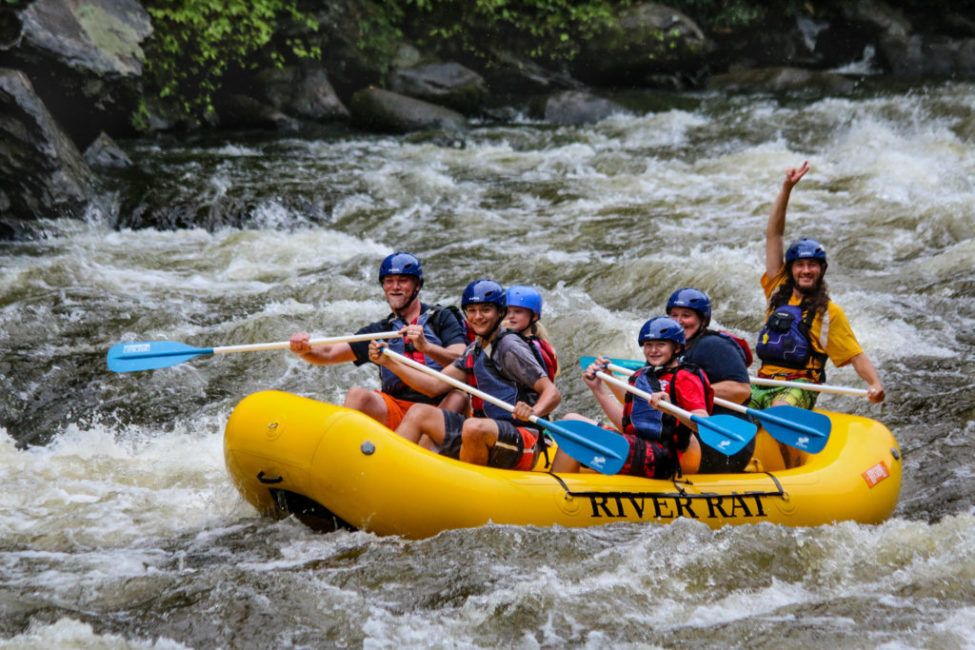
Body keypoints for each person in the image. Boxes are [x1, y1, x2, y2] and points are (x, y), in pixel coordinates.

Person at [754, 161, 886, 466]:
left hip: (799, 386)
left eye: (812, 265)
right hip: (762, 380)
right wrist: (786, 188)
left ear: (821, 270)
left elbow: (855, 355)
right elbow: (773, 235)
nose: (805, 270)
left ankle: (793, 471)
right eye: (799, 264)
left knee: (779, 413)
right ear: (791, 269)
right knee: (720, 400)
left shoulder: (829, 314)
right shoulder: (777, 288)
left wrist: (875, 384)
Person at [370, 279, 561, 470]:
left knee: (473, 426)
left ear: (500, 312)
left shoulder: (509, 347)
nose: (477, 317)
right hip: (484, 434)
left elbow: (552, 393)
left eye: (485, 310)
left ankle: (467, 487)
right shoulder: (473, 351)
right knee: (420, 412)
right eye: (472, 310)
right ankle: (388, 470)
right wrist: (389, 362)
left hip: (523, 439)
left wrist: (533, 411)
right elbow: (432, 386)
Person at [289, 251, 469, 429]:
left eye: (403, 281)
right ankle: (347, 450)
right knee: (357, 395)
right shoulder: (381, 330)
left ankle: (422, 450)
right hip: (398, 407)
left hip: (440, 408)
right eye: (389, 281)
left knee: (457, 397)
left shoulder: (442, 318)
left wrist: (427, 347)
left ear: (417, 286)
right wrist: (305, 349)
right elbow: (328, 354)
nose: (395, 287)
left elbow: (462, 362)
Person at [552, 316, 706, 478]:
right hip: (640, 446)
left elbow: (702, 424)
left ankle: (558, 493)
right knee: (571, 420)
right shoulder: (642, 375)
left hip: (664, 458)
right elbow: (627, 425)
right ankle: (563, 483)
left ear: (676, 348)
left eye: (661, 344)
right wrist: (598, 389)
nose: (653, 350)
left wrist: (672, 409)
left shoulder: (685, 378)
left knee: (576, 433)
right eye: (648, 345)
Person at [666, 287, 754, 473]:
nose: (679, 321)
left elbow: (741, 390)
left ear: (702, 320)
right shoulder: (673, 350)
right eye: (674, 315)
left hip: (727, 444)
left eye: (686, 315)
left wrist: (689, 394)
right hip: (695, 436)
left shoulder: (713, 345)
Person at [503, 284, 559, 381]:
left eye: (518, 311)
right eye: (507, 312)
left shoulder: (532, 346)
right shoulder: (504, 340)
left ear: (534, 317)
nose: (511, 316)